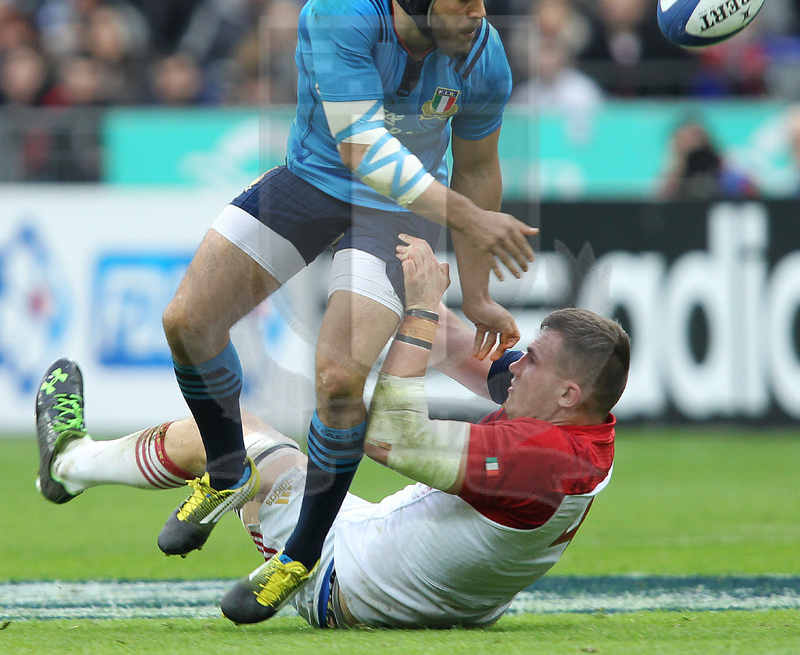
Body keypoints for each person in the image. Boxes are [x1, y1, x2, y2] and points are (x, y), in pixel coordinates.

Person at [149, 0, 536, 621]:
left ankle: (298, 556)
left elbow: (480, 169)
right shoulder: (342, 7)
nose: (481, 14)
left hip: (399, 216)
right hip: (314, 182)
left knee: (337, 380)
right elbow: (361, 147)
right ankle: (228, 467)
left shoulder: (485, 56)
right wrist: (469, 217)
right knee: (187, 322)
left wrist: (476, 293)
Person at [34, 235, 630, 628]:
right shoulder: (572, 425)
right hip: (426, 587)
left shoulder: (542, 458)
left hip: (345, 579)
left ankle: (69, 464)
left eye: (533, 360)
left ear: (568, 393)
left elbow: (392, 438)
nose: (515, 363)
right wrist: (397, 269)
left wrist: (421, 308)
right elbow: (456, 345)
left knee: (233, 434)